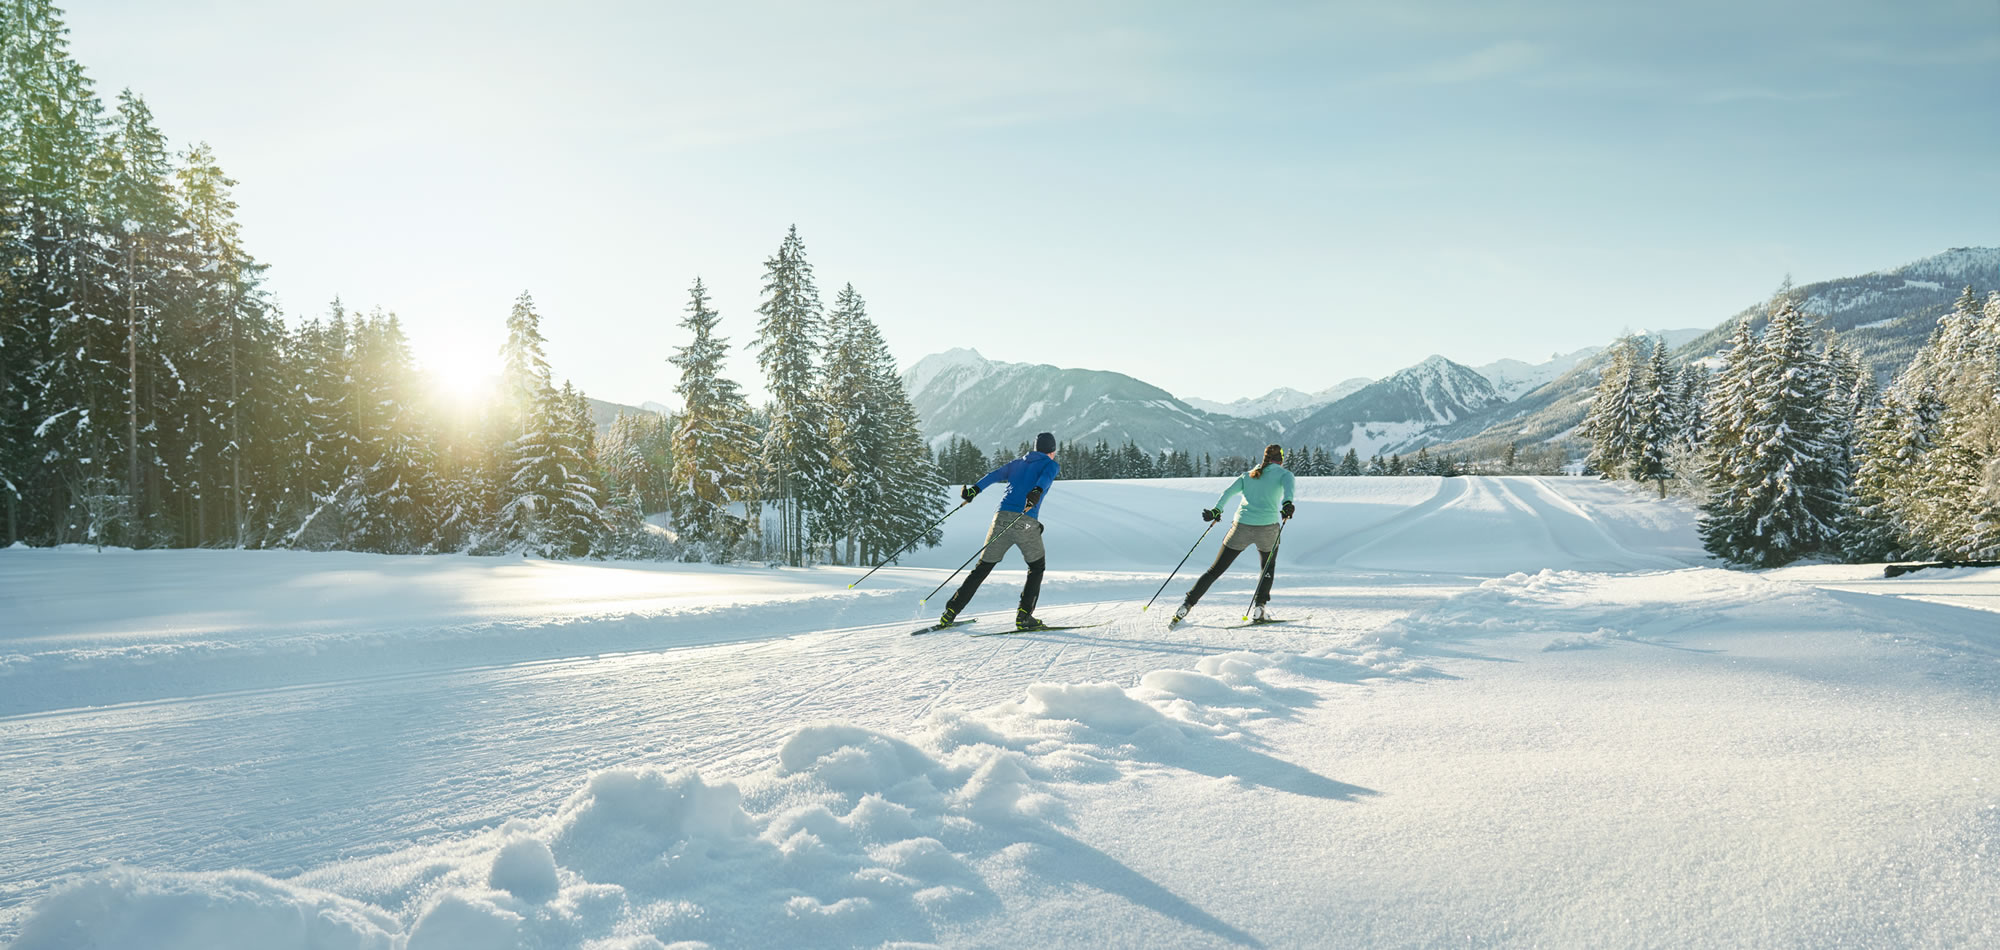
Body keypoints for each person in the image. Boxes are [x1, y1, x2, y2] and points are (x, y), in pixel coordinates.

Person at [940, 432, 1061, 631]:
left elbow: (994, 475)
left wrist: (974, 491)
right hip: (1025, 519)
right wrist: (1037, 491)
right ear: (1051, 451)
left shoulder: (1018, 463)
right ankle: (1024, 616)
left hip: (1000, 518)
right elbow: (1046, 479)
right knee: (1036, 567)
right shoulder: (1050, 464)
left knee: (981, 569)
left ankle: (950, 613)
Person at [1172, 444, 1295, 626]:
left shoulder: (1248, 475)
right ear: (1281, 459)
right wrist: (1286, 506)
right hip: (1268, 528)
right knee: (1267, 568)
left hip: (1241, 527)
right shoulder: (1286, 475)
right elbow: (1288, 494)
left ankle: (1186, 605)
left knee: (1215, 570)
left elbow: (1227, 493)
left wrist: (1216, 511)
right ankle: (1259, 608)